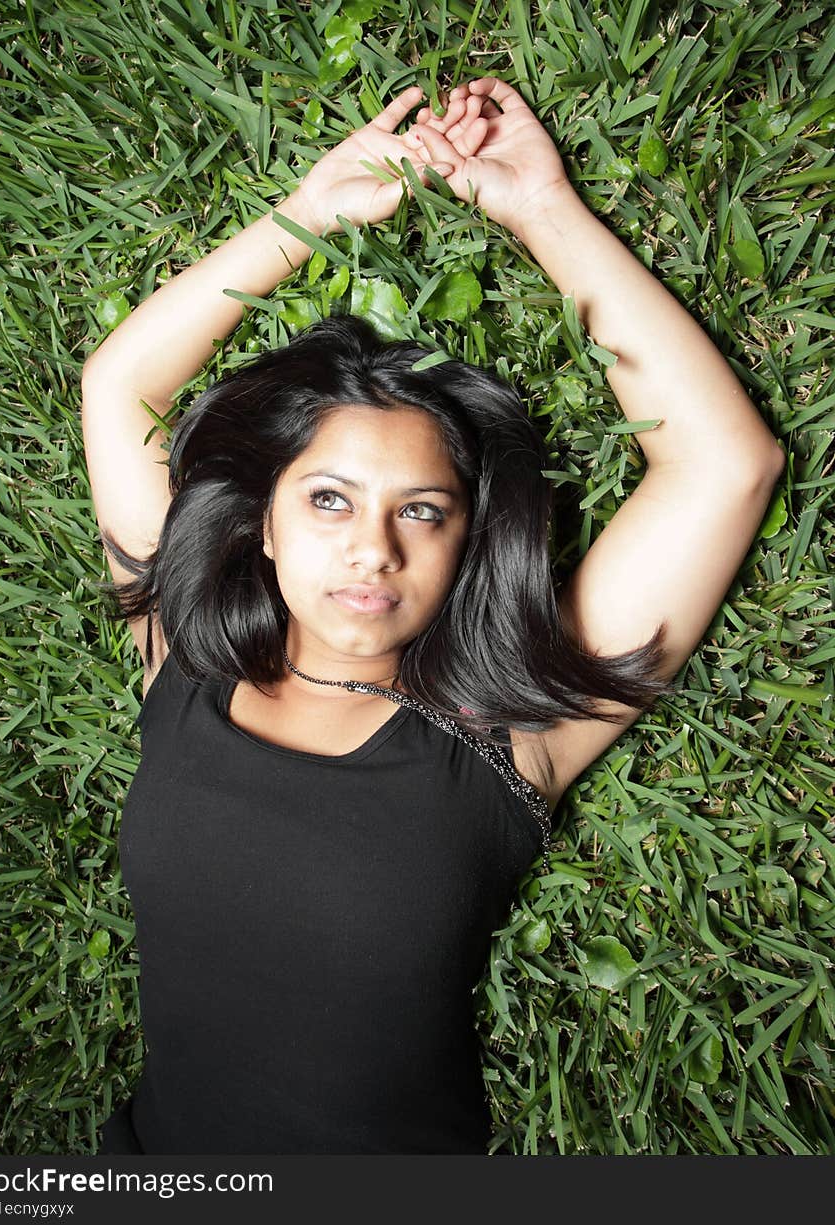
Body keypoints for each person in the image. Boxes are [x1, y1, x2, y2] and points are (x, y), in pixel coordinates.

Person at [82, 78, 785, 1156]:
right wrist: (306, 213)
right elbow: (118, 387)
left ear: (465, 546)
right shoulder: (179, 661)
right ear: (262, 526)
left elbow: (724, 465)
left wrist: (542, 208)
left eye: (422, 510)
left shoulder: (503, 737)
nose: (373, 547)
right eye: (327, 500)